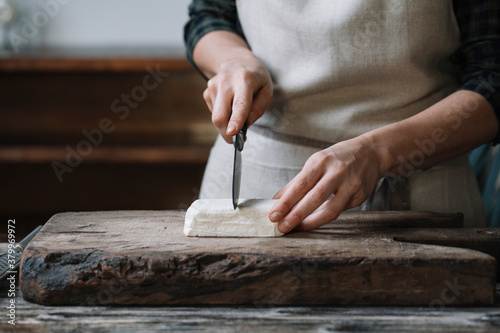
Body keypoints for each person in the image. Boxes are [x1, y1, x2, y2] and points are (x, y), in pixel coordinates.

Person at [184, 0, 500, 231]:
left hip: (422, 203)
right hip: (257, 180)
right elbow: (209, 16)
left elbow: (492, 78)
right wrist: (234, 61)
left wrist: (379, 151)